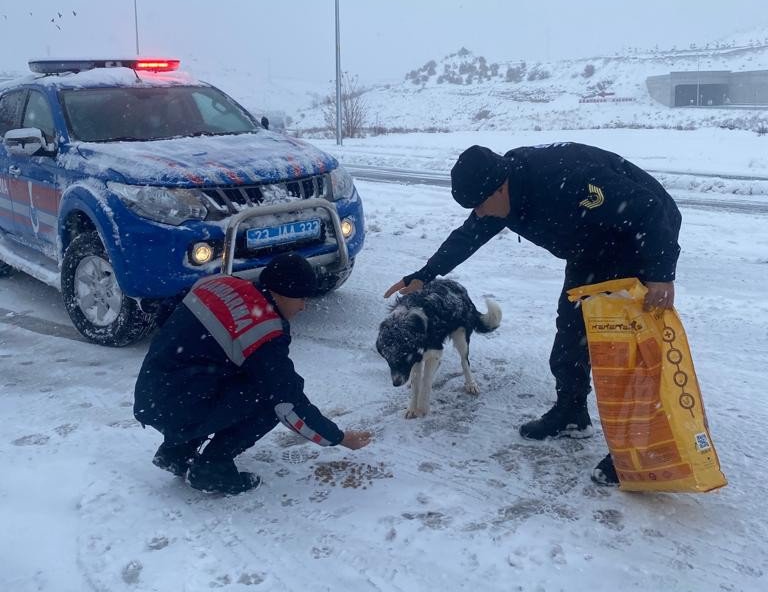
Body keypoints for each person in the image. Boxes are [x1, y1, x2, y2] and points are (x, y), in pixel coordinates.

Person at [385, 143, 682, 486]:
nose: (478, 214)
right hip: (591, 247)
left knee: (625, 351)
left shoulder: (564, 178)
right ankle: (571, 414)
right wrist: (425, 274)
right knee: (571, 332)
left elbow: (649, 207)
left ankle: (637, 450)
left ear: (500, 187)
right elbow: (468, 235)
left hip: (640, 238)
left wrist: (660, 273)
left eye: (479, 206)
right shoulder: (500, 196)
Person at [135, 253, 372, 494]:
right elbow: (288, 401)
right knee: (268, 399)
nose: (303, 306)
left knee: (229, 374)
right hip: (178, 403)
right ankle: (212, 468)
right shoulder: (264, 330)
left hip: (151, 392)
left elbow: (166, 313)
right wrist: (338, 438)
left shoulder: (218, 283)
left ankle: (177, 452)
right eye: (300, 297)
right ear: (280, 291)